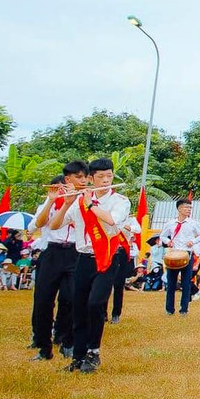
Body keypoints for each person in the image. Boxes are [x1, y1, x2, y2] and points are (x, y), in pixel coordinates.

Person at [52, 158, 130, 374]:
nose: (106, 180)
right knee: (78, 308)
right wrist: (66, 203)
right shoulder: (79, 201)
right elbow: (55, 225)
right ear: (90, 179)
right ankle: (78, 355)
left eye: (109, 176)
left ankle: (93, 352)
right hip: (84, 259)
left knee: (96, 304)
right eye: (100, 176)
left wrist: (90, 204)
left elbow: (111, 221)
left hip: (107, 258)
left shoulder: (120, 201)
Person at [29, 168, 84, 362]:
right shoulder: (50, 200)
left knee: (70, 299)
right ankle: (43, 346)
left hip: (74, 253)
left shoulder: (83, 201)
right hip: (52, 252)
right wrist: (52, 201)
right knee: (43, 301)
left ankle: (66, 341)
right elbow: (38, 223)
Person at [160, 198, 200, 317]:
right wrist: (168, 242)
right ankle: (169, 309)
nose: (189, 210)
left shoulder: (193, 223)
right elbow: (163, 236)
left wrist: (193, 241)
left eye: (190, 208)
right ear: (179, 208)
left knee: (186, 283)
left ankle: (184, 309)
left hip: (187, 254)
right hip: (173, 254)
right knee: (171, 282)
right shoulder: (170, 223)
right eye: (186, 207)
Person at [111, 216, 141, 323]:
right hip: (108, 250)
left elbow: (138, 229)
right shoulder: (109, 214)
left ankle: (116, 313)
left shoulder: (130, 219)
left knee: (119, 284)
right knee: (105, 283)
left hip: (121, 251)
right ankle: (102, 313)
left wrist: (129, 228)